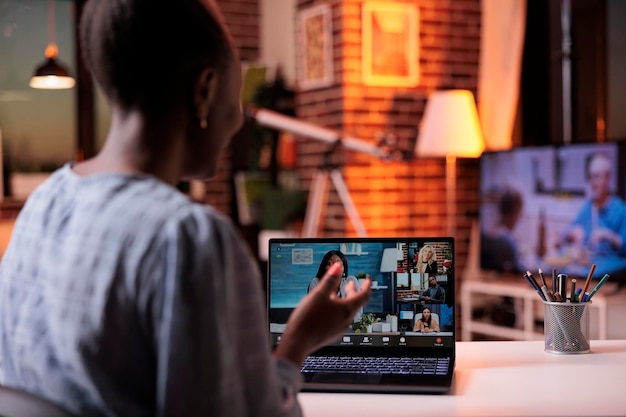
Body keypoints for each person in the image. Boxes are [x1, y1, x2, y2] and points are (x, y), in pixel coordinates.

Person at [0, 1, 371, 416]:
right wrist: (297, 343)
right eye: (237, 103)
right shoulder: (188, 238)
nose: (237, 123)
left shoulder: (42, 205)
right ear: (204, 91)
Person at [562, 153, 626, 262]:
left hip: (612, 273)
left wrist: (609, 236)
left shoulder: (621, 210)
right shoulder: (588, 207)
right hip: (587, 269)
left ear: (608, 178)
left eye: (597, 177)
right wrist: (572, 233)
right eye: (590, 177)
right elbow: (566, 233)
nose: (593, 183)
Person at [307, 250, 362, 321]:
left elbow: (358, 313)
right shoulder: (316, 283)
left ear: (344, 268)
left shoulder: (351, 282)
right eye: (329, 263)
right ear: (324, 268)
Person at [480, 187, 525, 272]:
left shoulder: (488, 234)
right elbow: (521, 274)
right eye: (519, 213)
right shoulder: (508, 241)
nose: (520, 217)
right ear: (514, 212)